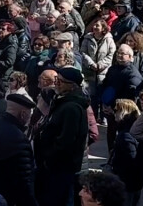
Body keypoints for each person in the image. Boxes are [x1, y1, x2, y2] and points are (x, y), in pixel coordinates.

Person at [34, 67, 90, 206]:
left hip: (60, 169)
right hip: (55, 168)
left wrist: (48, 158)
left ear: (73, 86)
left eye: (61, 81)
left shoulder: (72, 108)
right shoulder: (61, 101)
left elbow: (66, 141)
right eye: (56, 80)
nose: (57, 84)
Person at [0, 93, 38, 206]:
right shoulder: (19, 139)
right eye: (28, 115)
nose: (28, 119)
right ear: (22, 114)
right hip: (10, 197)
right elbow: (24, 180)